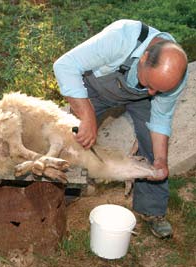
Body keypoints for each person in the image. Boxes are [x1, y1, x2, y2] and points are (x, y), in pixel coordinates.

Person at [53, 19, 188, 238]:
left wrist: (161, 161)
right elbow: (64, 65)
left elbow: (161, 118)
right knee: (73, 140)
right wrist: (87, 117)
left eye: (159, 90)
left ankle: (152, 209)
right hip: (95, 89)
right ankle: (63, 194)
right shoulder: (120, 38)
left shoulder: (172, 78)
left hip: (139, 99)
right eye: (151, 84)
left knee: (152, 149)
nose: (154, 92)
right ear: (144, 58)